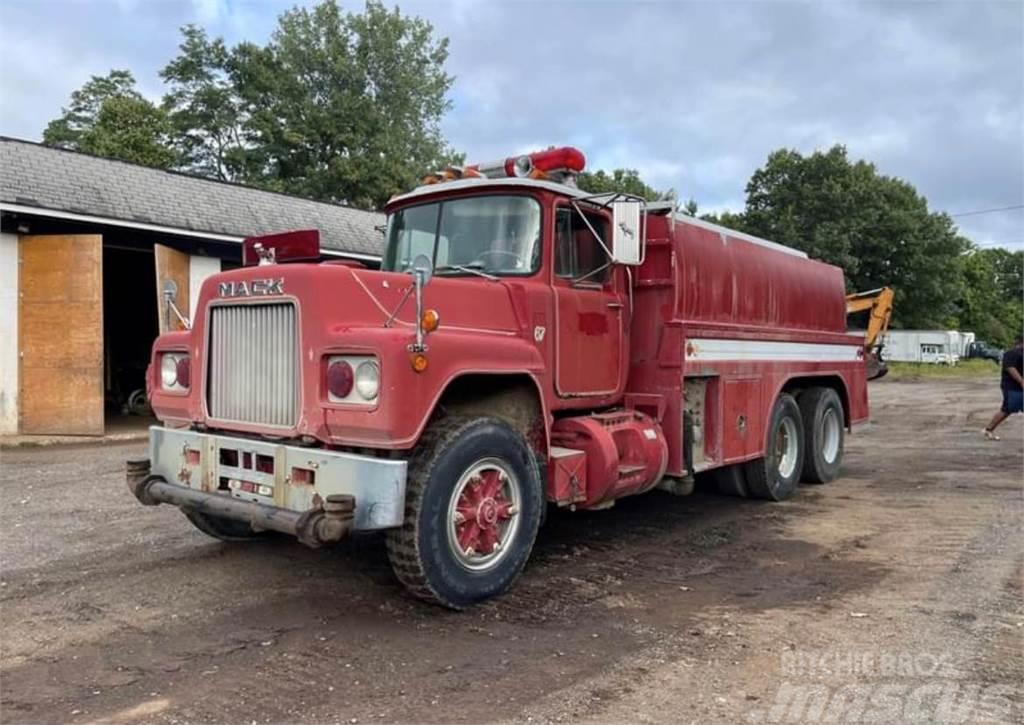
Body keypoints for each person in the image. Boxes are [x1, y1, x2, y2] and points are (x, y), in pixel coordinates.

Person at [983, 335, 1024, 440]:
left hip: (1018, 387)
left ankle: (989, 429)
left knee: (1008, 409)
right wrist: (1021, 381)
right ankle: (988, 430)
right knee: (1007, 409)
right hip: (1012, 387)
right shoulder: (1012, 353)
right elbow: (1011, 368)